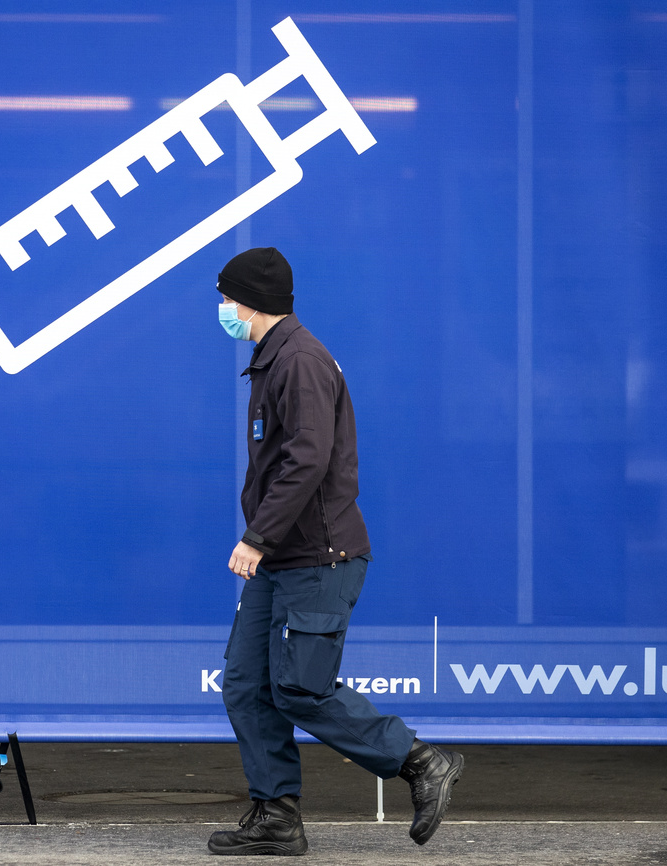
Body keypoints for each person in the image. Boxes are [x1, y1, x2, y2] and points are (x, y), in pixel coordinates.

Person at [208, 247, 464, 855]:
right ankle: (277, 816)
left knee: (300, 687)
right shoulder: (272, 360)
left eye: (226, 299)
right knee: (246, 685)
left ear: (252, 301)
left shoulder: (301, 361)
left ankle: (421, 762)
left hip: (320, 559)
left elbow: (307, 461)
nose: (221, 309)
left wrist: (256, 536)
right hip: (283, 561)